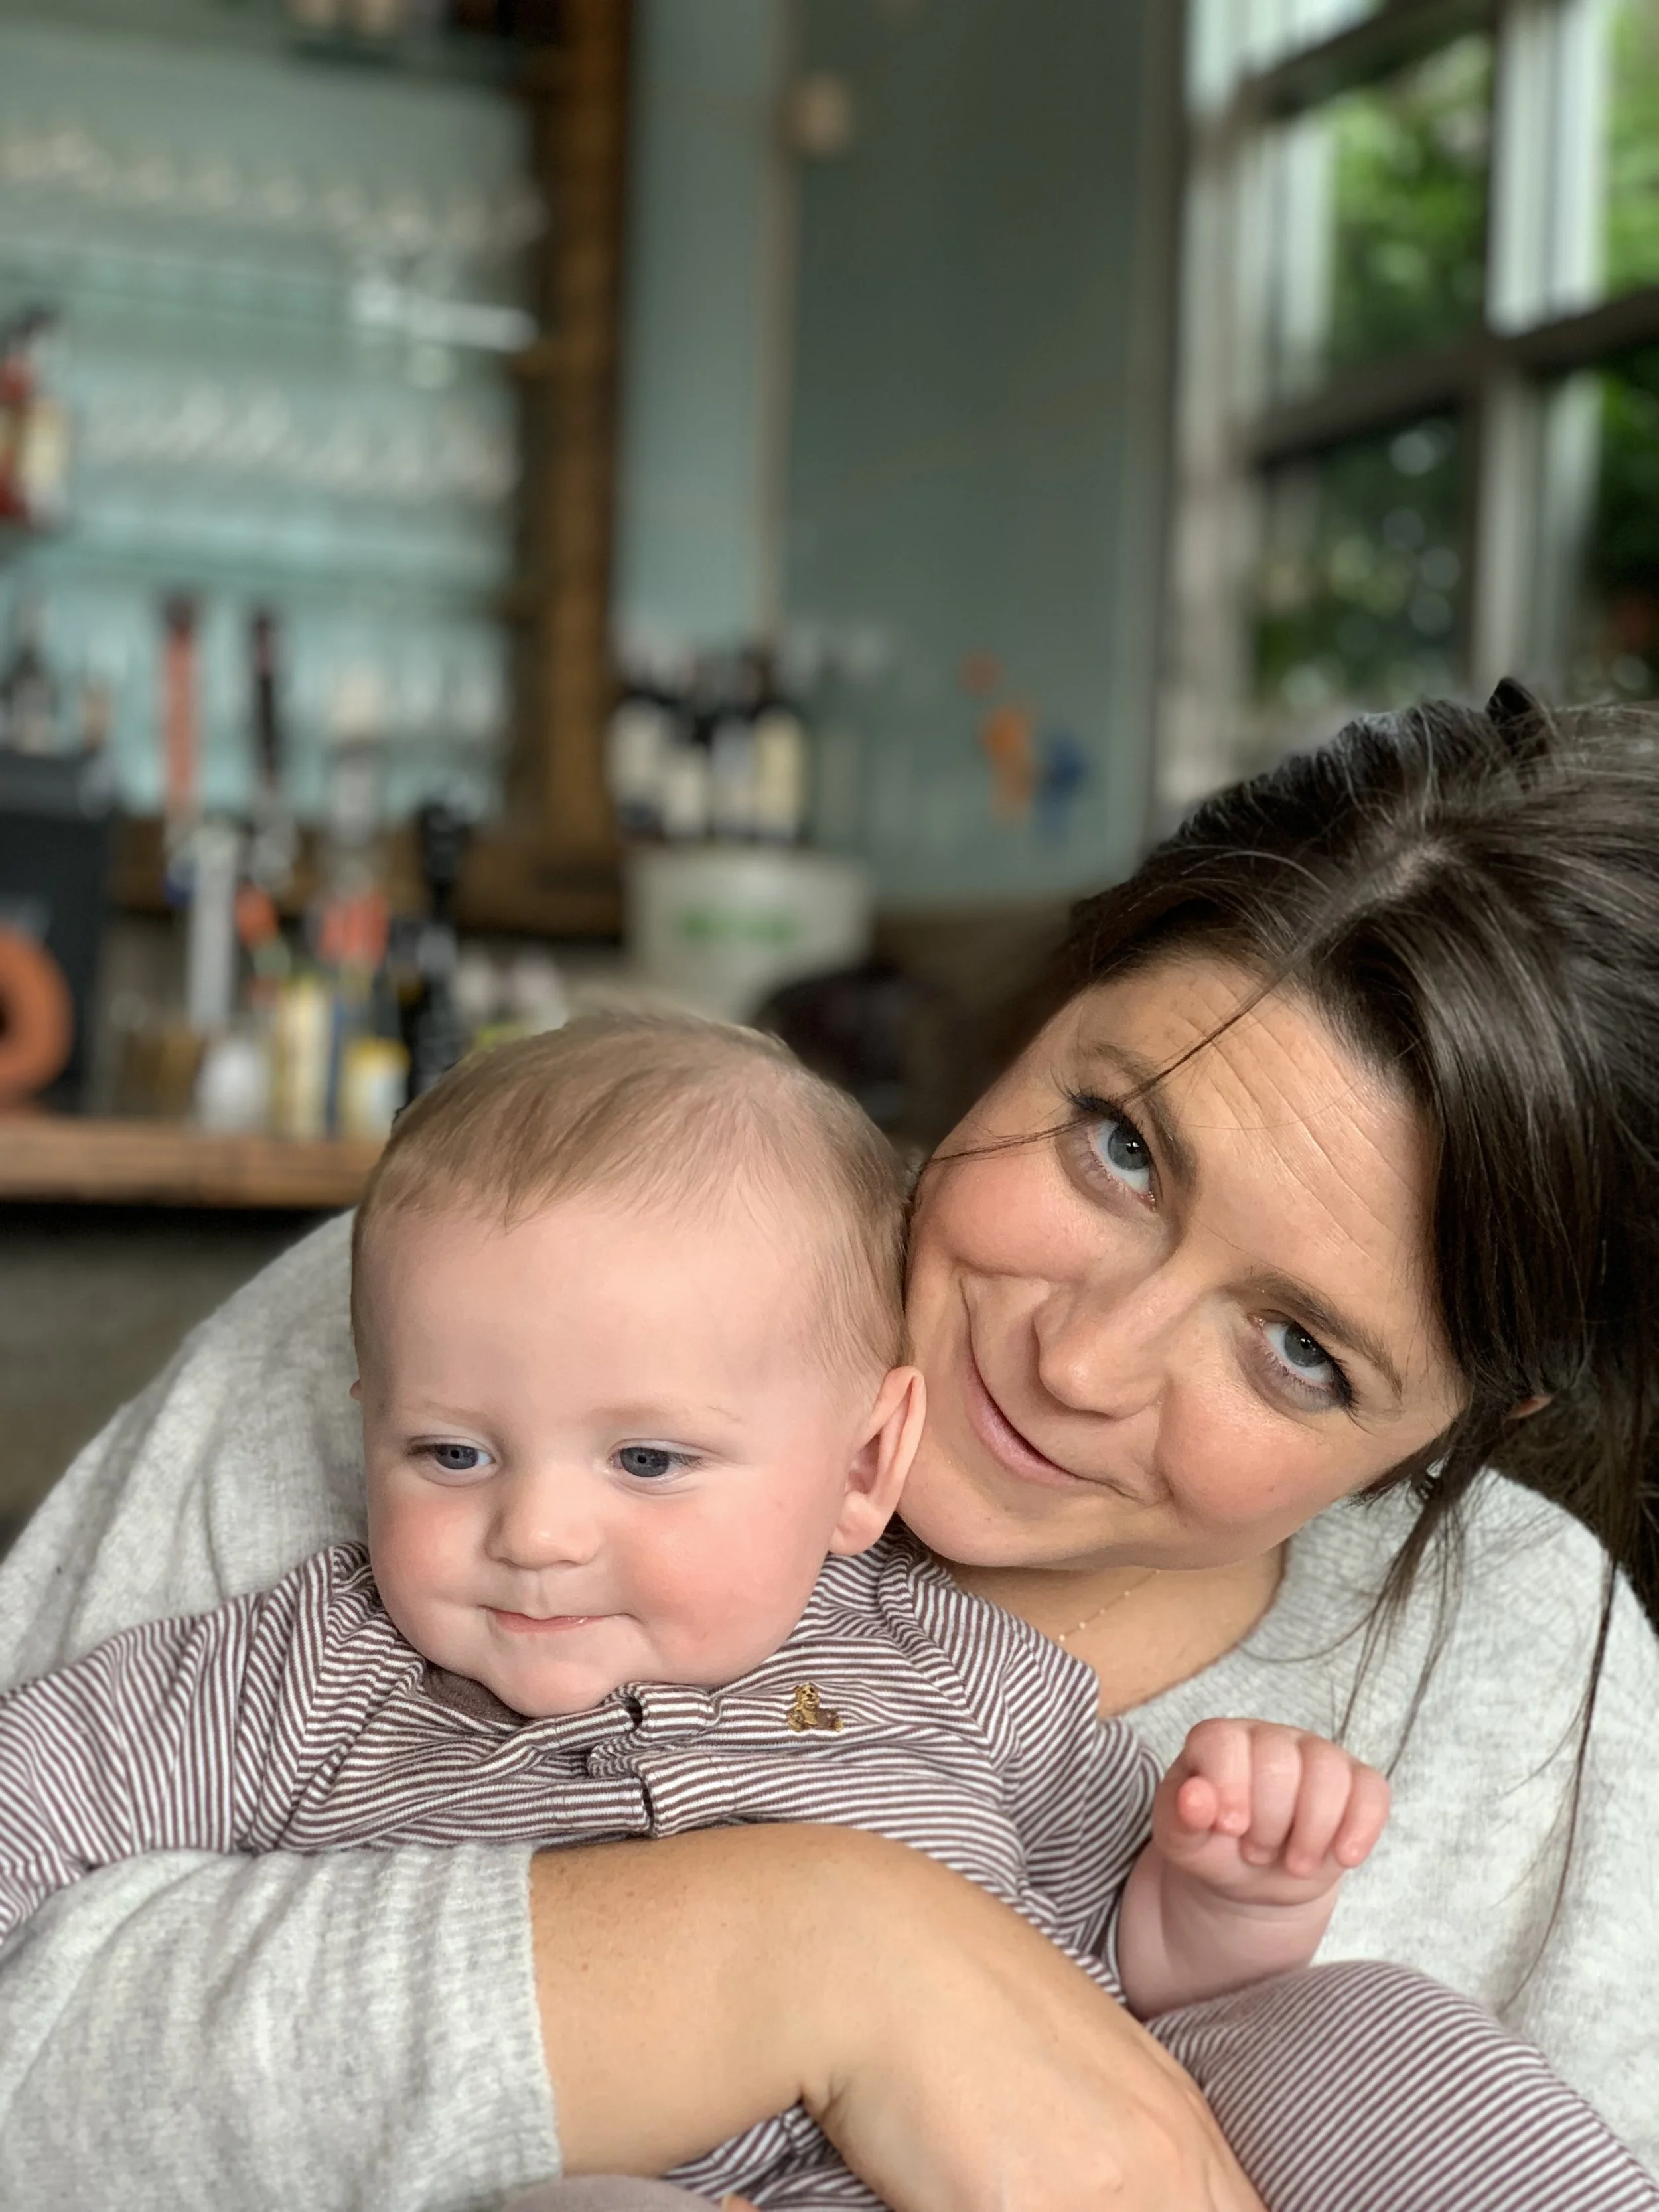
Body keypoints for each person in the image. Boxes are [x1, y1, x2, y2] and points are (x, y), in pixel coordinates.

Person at [2, 690, 1656, 2212]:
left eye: (1298, 1349)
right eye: (1120, 1145)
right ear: (1046, 1000)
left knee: (1356, 2023)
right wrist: (803, 1957)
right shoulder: (497, 1313)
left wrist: (1222, 1914)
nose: (1074, 1361)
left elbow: (1136, 1928)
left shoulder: (1521, 1654)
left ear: (1467, 1416)